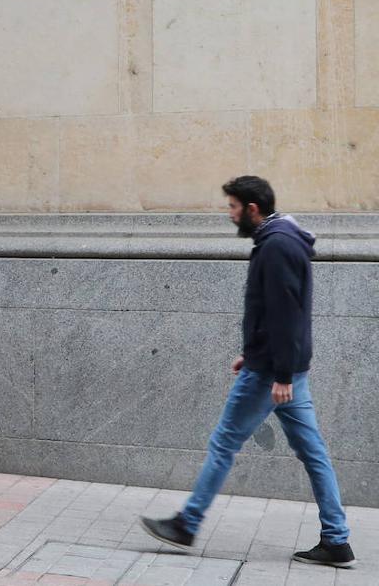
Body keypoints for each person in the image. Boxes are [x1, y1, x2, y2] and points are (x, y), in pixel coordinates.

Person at [140, 176, 354, 568]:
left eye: (233, 207)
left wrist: (281, 374)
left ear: (252, 208)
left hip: (271, 373)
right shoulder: (282, 239)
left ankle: (187, 524)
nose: (230, 214)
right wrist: (255, 351)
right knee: (314, 453)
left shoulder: (276, 247)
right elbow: (274, 312)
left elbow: (286, 314)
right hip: (278, 365)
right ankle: (337, 540)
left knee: (224, 443)